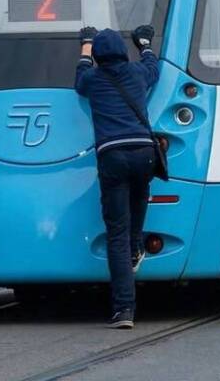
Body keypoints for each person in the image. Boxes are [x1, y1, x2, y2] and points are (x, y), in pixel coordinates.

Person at [74, 25, 160, 329]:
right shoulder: (137, 73)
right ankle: (137, 246)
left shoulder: (94, 79)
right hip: (144, 151)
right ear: (124, 52)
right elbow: (153, 67)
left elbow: (79, 79)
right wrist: (145, 43)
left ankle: (124, 310)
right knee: (139, 205)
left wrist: (85, 45)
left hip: (113, 156)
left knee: (116, 233)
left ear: (98, 55)